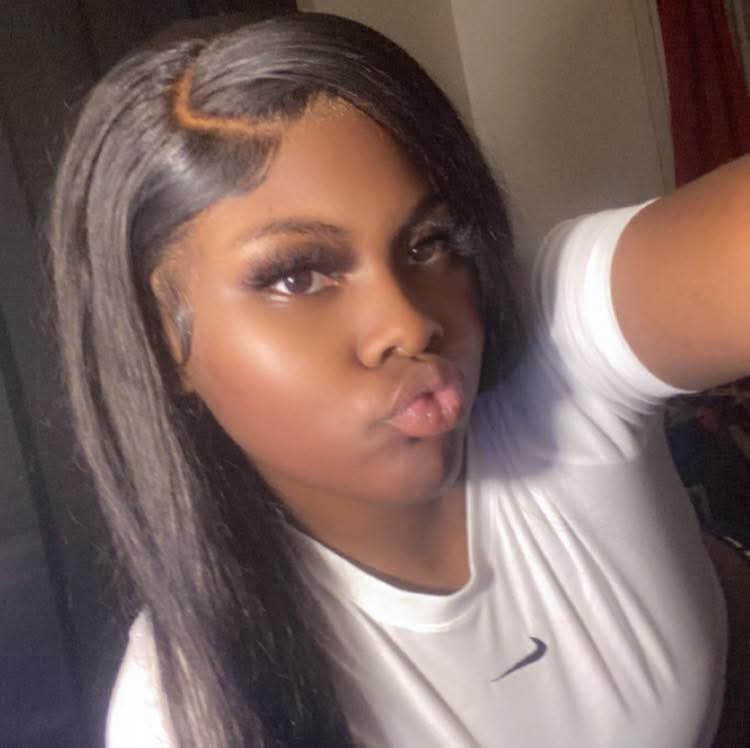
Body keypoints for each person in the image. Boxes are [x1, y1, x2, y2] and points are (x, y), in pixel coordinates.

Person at [49, 12, 748, 748]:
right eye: (296, 275)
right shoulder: (181, 714)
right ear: (160, 344)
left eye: (428, 243)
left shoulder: (550, 344)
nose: (411, 324)